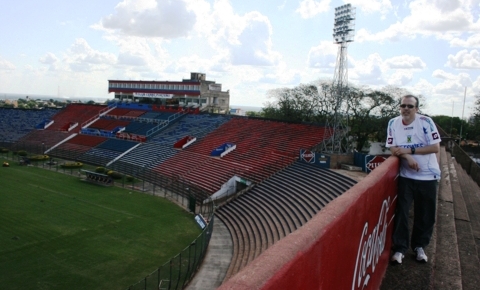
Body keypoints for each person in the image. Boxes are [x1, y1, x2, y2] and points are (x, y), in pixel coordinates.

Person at [385, 94, 441, 264]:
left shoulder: (425, 122)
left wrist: (410, 152)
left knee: (425, 215)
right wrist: (408, 158)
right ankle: (400, 249)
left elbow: (435, 147)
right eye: (403, 106)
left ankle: (419, 247)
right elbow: (392, 147)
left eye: (410, 106)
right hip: (406, 175)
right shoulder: (393, 123)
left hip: (428, 176)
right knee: (401, 212)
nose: (406, 109)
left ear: (417, 109)